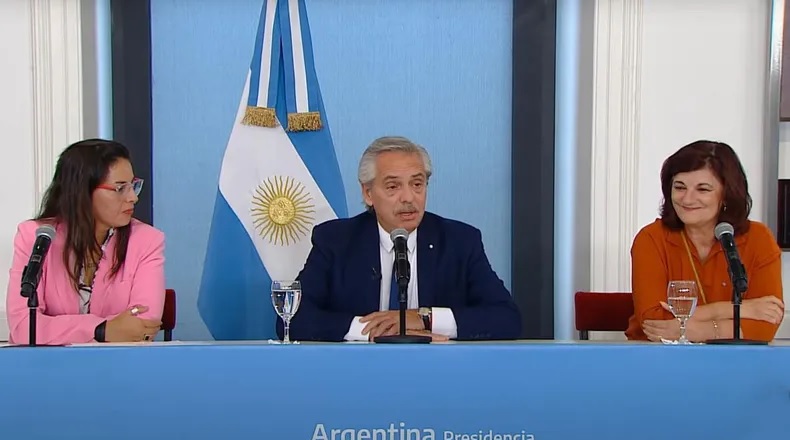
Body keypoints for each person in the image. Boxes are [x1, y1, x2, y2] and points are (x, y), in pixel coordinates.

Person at [279, 136, 521, 342]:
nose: (408, 197)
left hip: (437, 372)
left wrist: (425, 319)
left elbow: (507, 318)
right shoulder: (336, 241)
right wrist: (374, 330)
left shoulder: (459, 242)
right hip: (357, 372)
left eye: (417, 184)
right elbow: (291, 319)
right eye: (393, 187)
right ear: (368, 193)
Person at [5, 139, 165, 345]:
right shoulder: (37, 237)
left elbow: (144, 326)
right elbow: (24, 326)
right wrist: (101, 330)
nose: (133, 197)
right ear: (82, 192)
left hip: (118, 363)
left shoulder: (146, 241)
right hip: (49, 364)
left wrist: (56, 328)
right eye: (120, 188)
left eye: (133, 185)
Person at [626, 140, 784, 342]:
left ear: (726, 194)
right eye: (680, 187)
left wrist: (697, 330)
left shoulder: (759, 238)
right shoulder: (651, 238)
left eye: (703, 189)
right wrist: (739, 309)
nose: (687, 199)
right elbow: (654, 321)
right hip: (658, 354)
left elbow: (766, 323)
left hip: (734, 357)